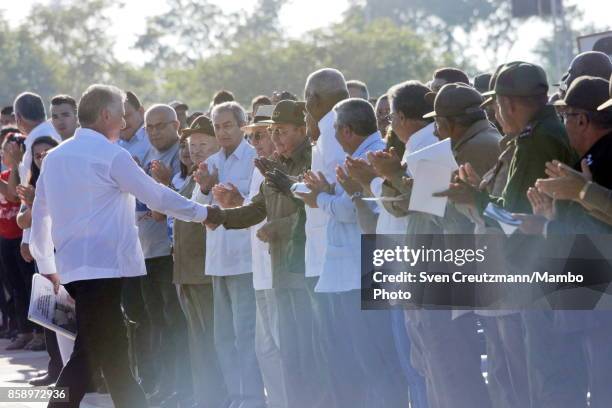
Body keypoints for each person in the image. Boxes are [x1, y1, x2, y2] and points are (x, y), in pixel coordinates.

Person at [29, 84, 211, 408]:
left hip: (73, 268)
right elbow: (155, 195)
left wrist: (47, 267)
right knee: (93, 355)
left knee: (110, 356)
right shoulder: (112, 155)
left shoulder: (54, 158)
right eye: (122, 114)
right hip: (105, 269)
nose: (126, 122)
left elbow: (39, 216)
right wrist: (204, 212)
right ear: (106, 114)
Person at [207, 101, 317, 408]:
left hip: (303, 270)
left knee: (306, 352)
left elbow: (319, 211)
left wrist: (280, 227)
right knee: (282, 353)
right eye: (273, 131)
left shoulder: (313, 160)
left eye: (280, 131)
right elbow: (256, 209)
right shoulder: (275, 166)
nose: (275, 138)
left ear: (302, 129)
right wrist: (216, 215)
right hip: (278, 270)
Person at [193, 101, 265, 408]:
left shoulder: (253, 159)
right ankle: (236, 398)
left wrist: (238, 199)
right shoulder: (212, 161)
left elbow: (258, 205)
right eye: (217, 126)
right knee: (223, 338)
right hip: (217, 260)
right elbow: (197, 207)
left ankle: (251, 399)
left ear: (242, 124)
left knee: (245, 336)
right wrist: (205, 186)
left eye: (228, 125)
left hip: (244, 260)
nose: (222, 132)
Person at [168, 115, 228, 408]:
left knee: (214, 342)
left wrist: (206, 189)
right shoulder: (194, 175)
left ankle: (219, 397)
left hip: (206, 273)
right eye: (192, 145)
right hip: (187, 273)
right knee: (198, 343)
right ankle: (206, 397)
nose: (195, 150)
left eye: (203, 143)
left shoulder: (217, 173)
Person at [139, 104, 193, 406]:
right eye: (150, 127)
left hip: (170, 253)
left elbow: (166, 209)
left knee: (176, 321)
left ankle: (183, 385)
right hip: (147, 251)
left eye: (161, 125)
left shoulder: (182, 155)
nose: (155, 131)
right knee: (157, 321)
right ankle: (166, 383)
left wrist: (161, 185)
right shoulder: (149, 155)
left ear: (176, 125)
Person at [13, 136, 63, 384]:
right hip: (42, 256)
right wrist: (32, 204)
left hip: (64, 255)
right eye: (36, 154)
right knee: (49, 316)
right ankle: (55, 368)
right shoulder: (32, 181)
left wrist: (36, 202)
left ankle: (74, 372)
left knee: (67, 316)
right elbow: (23, 220)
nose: (42, 157)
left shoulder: (65, 177)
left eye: (47, 152)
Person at [0, 133, 40, 351]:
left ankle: (38, 332)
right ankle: (23, 330)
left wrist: (16, 163)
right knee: (16, 288)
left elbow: (12, 194)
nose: (3, 154)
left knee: (28, 285)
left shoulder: (21, 173)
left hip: (20, 237)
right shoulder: (7, 173)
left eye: (6, 150)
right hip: (5, 237)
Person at [12, 92, 61, 265]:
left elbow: (29, 196)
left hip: (46, 235)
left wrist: (27, 239)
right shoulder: (57, 133)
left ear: (18, 118)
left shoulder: (34, 146)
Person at [118, 91, 151, 165]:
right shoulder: (111, 142)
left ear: (141, 112)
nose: (122, 124)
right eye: (117, 119)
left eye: (126, 116)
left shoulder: (154, 137)